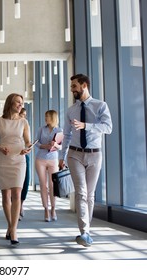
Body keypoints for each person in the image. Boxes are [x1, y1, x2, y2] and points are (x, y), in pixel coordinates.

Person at [59, 73, 112, 247]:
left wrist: (86, 126)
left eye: (74, 86)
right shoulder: (71, 110)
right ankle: (84, 232)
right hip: (74, 154)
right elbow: (66, 135)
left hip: (95, 154)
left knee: (90, 195)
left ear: (84, 85)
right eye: (71, 87)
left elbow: (108, 127)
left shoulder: (100, 106)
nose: (72, 89)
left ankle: (86, 230)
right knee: (81, 193)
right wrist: (62, 156)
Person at [0, 93, 32, 246]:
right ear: (10, 103)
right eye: (17, 102)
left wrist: (28, 149)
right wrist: (0, 148)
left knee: (17, 193)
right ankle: (10, 225)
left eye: (21, 102)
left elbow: (28, 142)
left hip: (19, 160)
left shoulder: (24, 122)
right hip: (3, 159)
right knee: (6, 195)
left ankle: (14, 229)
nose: (20, 105)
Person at [35, 110, 63, 222]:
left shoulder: (59, 130)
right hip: (40, 159)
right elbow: (36, 142)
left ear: (53, 118)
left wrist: (55, 144)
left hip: (53, 160)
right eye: (45, 116)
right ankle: (46, 209)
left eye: (47, 116)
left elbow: (61, 147)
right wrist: (44, 145)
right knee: (44, 186)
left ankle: (53, 209)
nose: (45, 118)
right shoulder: (41, 129)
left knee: (52, 186)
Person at [19, 108, 30, 220]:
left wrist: (28, 146)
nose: (24, 117)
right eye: (22, 114)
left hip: (25, 155)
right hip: (13, 157)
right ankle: (16, 209)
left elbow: (28, 141)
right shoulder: (13, 125)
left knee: (26, 182)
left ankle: (21, 205)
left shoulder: (25, 125)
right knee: (15, 184)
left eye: (25, 115)